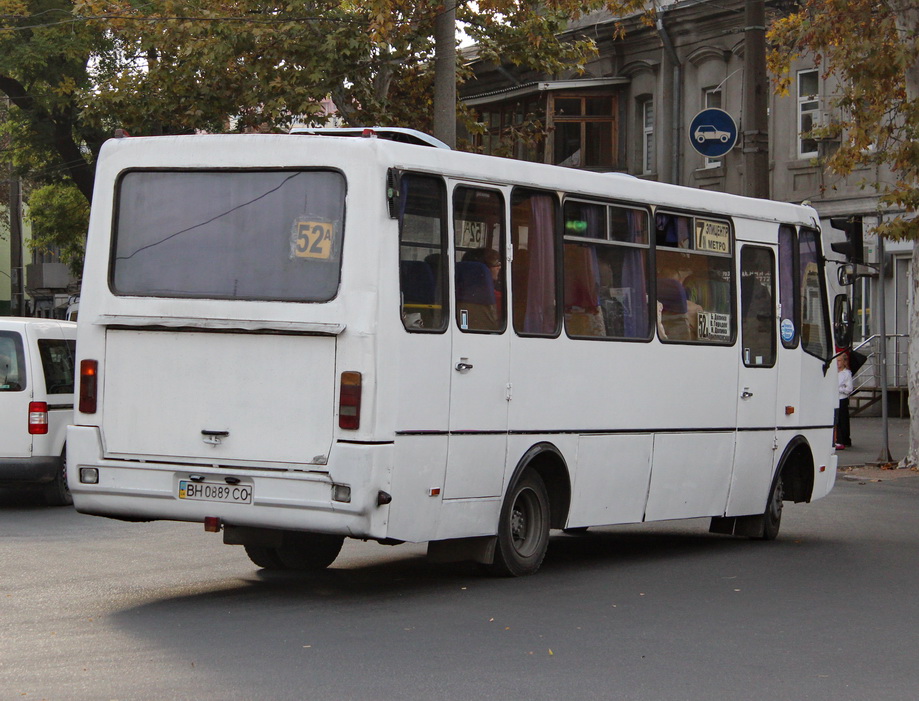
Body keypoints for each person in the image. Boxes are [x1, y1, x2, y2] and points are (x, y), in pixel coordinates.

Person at [835, 353, 853, 450]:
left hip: (842, 398)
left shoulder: (846, 374)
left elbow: (849, 388)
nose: (837, 363)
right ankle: (838, 439)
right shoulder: (835, 373)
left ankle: (844, 440)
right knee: (836, 420)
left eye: (839, 361)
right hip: (835, 398)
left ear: (844, 362)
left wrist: (839, 389)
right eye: (836, 361)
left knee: (843, 420)